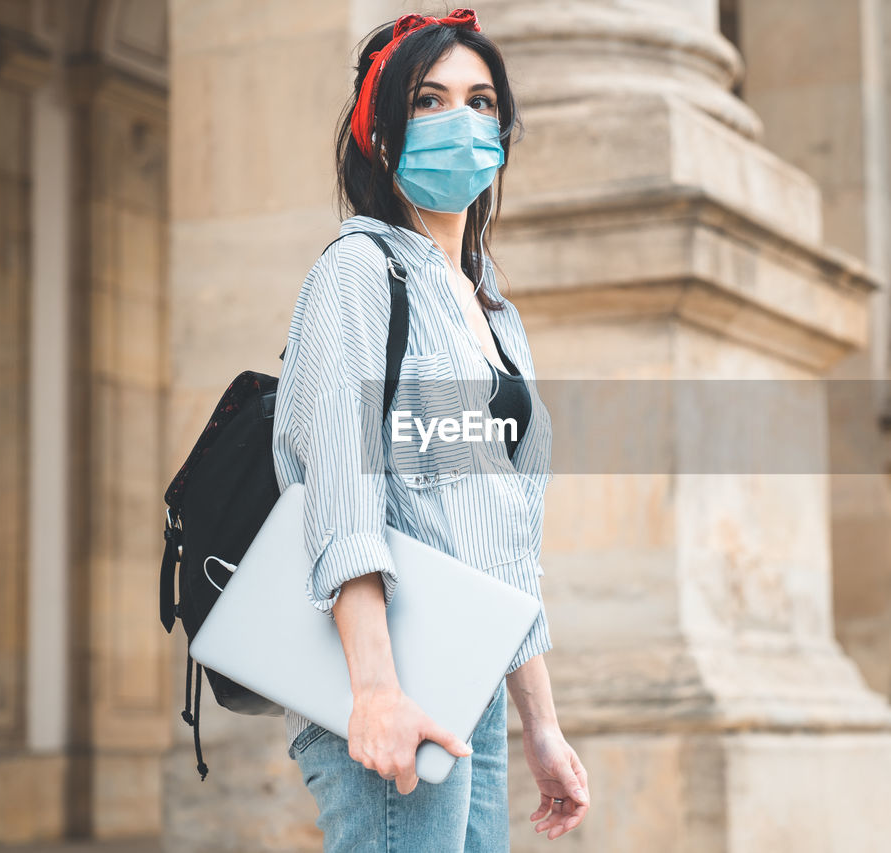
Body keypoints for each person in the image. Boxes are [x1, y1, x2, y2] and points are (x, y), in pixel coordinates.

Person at [270, 8, 590, 850]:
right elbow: (342, 489)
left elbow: (500, 540)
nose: (463, 121)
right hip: (388, 680)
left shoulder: (493, 312)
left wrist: (541, 724)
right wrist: (375, 690)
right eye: (430, 100)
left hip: (470, 684)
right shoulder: (359, 272)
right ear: (380, 131)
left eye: (483, 102)